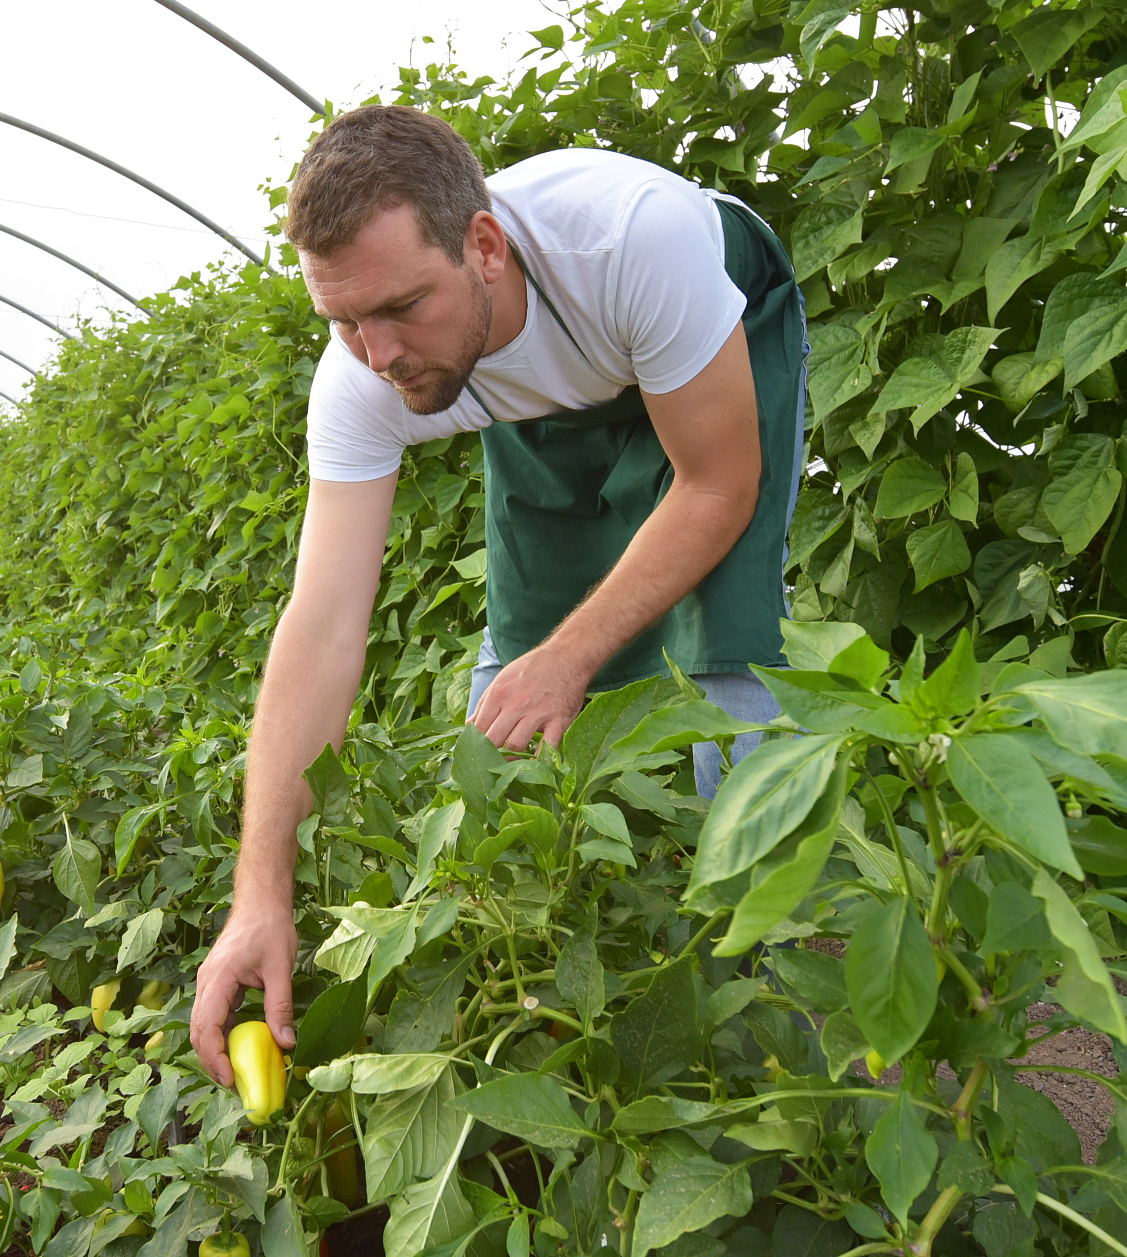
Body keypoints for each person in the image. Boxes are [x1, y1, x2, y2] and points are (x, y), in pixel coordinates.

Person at [190, 106, 808, 1086]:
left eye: (401, 306)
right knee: (513, 708)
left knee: (727, 667)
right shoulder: (369, 370)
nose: (378, 353)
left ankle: (765, 1041)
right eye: (344, 320)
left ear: (485, 247)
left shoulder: (633, 243)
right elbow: (321, 625)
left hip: (703, 353)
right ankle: (565, 1016)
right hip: (543, 388)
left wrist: (574, 657)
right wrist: (257, 893)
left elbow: (716, 488)